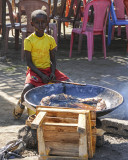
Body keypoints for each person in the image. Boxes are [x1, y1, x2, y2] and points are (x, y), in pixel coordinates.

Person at [13, 9, 70, 119]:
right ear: (32, 24)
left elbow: (53, 59)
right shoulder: (29, 40)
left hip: (48, 69)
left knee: (69, 84)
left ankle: (68, 107)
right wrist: (41, 75)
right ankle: (21, 105)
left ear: (47, 23)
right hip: (34, 70)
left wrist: (53, 72)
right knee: (27, 88)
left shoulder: (50, 39)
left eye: (43, 22)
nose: (40, 25)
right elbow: (29, 62)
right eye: (37, 22)